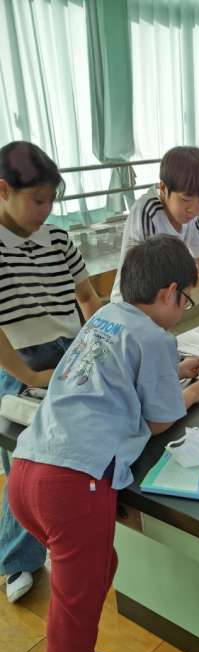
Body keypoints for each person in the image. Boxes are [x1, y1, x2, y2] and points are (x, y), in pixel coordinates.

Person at [9, 235, 199, 652]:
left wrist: (171, 374)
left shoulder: (104, 318)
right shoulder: (155, 336)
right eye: (186, 299)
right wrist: (191, 392)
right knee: (70, 632)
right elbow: (161, 418)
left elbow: (105, 381)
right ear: (169, 292)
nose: (183, 308)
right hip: (73, 489)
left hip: (27, 472)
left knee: (101, 566)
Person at [0, 141, 102, 603]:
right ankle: (17, 559)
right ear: (4, 190)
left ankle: (67, 535)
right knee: (27, 464)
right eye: (37, 200)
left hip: (73, 350)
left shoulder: (58, 239)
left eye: (51, 200)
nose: (46, 211)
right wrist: (29, 376)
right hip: (19, 361)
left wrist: (101, 341)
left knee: (73, 451)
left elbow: (87, 298)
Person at [111, 145, 199, 321]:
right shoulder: (149, 212)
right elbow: (146, 276)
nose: (193, 209)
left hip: (160, 306)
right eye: (185, 199)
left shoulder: (191, 218)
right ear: (163, 188)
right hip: (130, 307)